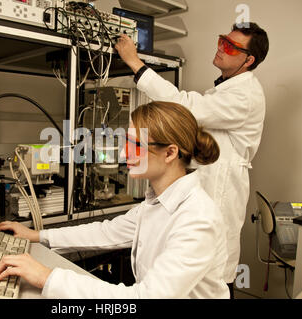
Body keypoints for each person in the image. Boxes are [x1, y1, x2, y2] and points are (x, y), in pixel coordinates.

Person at [0, 101, 229, 298]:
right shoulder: (158, 201)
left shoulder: (197, 219)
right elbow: (106, 232)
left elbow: (145, 297)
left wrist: (47, 277)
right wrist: (37, 236)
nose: (125, 153)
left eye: (136, 145)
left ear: (170, 153)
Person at [114, 22, 269, 298]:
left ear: (249, 60)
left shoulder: (245, 95)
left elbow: (184, 106)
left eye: (231, 46)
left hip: (218, 199)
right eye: (222, 40)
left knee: (213, 283)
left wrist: (134, 62)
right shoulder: (227, 89)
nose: (221, 48)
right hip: (199, 201)